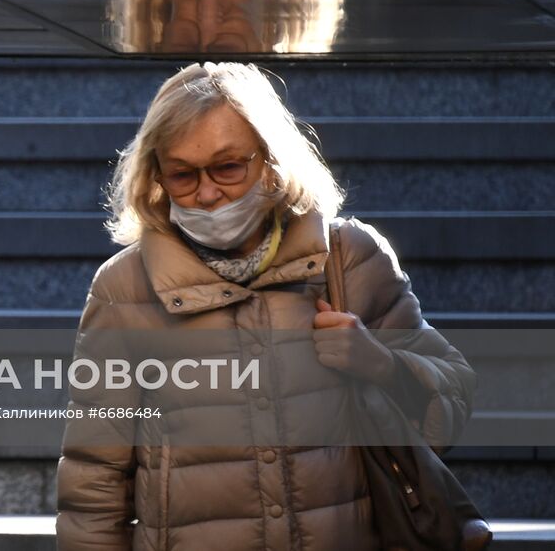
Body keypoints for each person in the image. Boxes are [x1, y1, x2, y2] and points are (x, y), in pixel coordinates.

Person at [56, 62, 475, 550]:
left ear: (272, 160)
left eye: (228, 166)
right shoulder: (124, 287)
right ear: (156, 177)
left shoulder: (349, 258)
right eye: (182, 175)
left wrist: (379, 363)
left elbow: (454, 396)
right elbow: (95, 478)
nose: (208, 193)